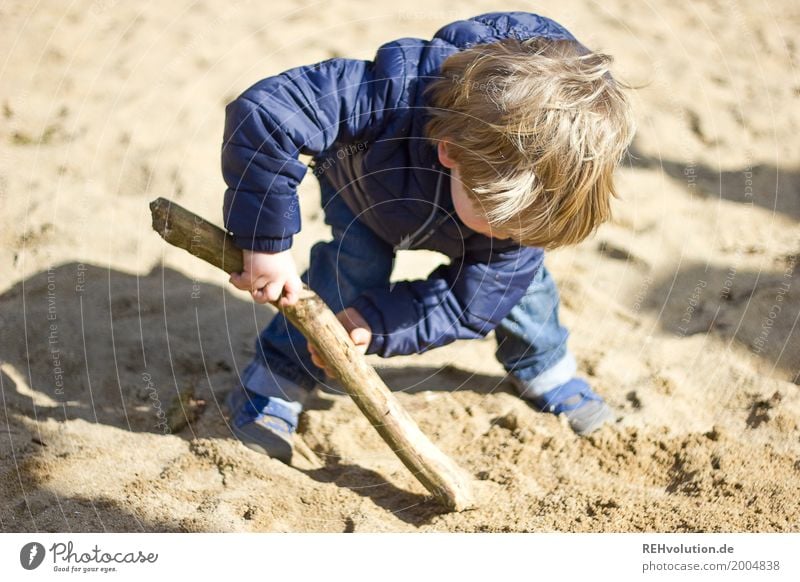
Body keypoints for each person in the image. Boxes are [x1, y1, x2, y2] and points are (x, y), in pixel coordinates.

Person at [221, 12, 635, 462]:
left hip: (454, 218)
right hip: (366, 191)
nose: (513, 237)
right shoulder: (390, 94)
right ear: (450, 150)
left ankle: (546, 368)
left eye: (530, 229)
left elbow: (468, 303)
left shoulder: (515, 231)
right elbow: (266, 115)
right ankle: (281, 373)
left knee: (522, 284)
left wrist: (374, 324)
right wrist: (265, 244)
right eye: (505, 223)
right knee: (354, 266)